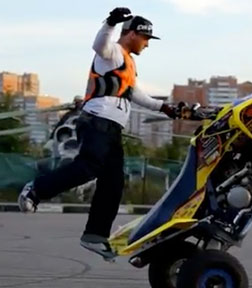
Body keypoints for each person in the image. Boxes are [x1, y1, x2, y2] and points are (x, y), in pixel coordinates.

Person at [18, 7, 176, 259]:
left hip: (112, 128)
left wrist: (168, 109)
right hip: (97, 121)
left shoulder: (127, 62)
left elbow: (135, 94)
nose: (147, 45)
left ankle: (95, 235)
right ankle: (36, 189)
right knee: (88, 167)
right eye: (145, 39)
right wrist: (111, 23)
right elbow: (99, 44)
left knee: (114, 183)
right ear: (132, 34)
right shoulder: (112, 52)